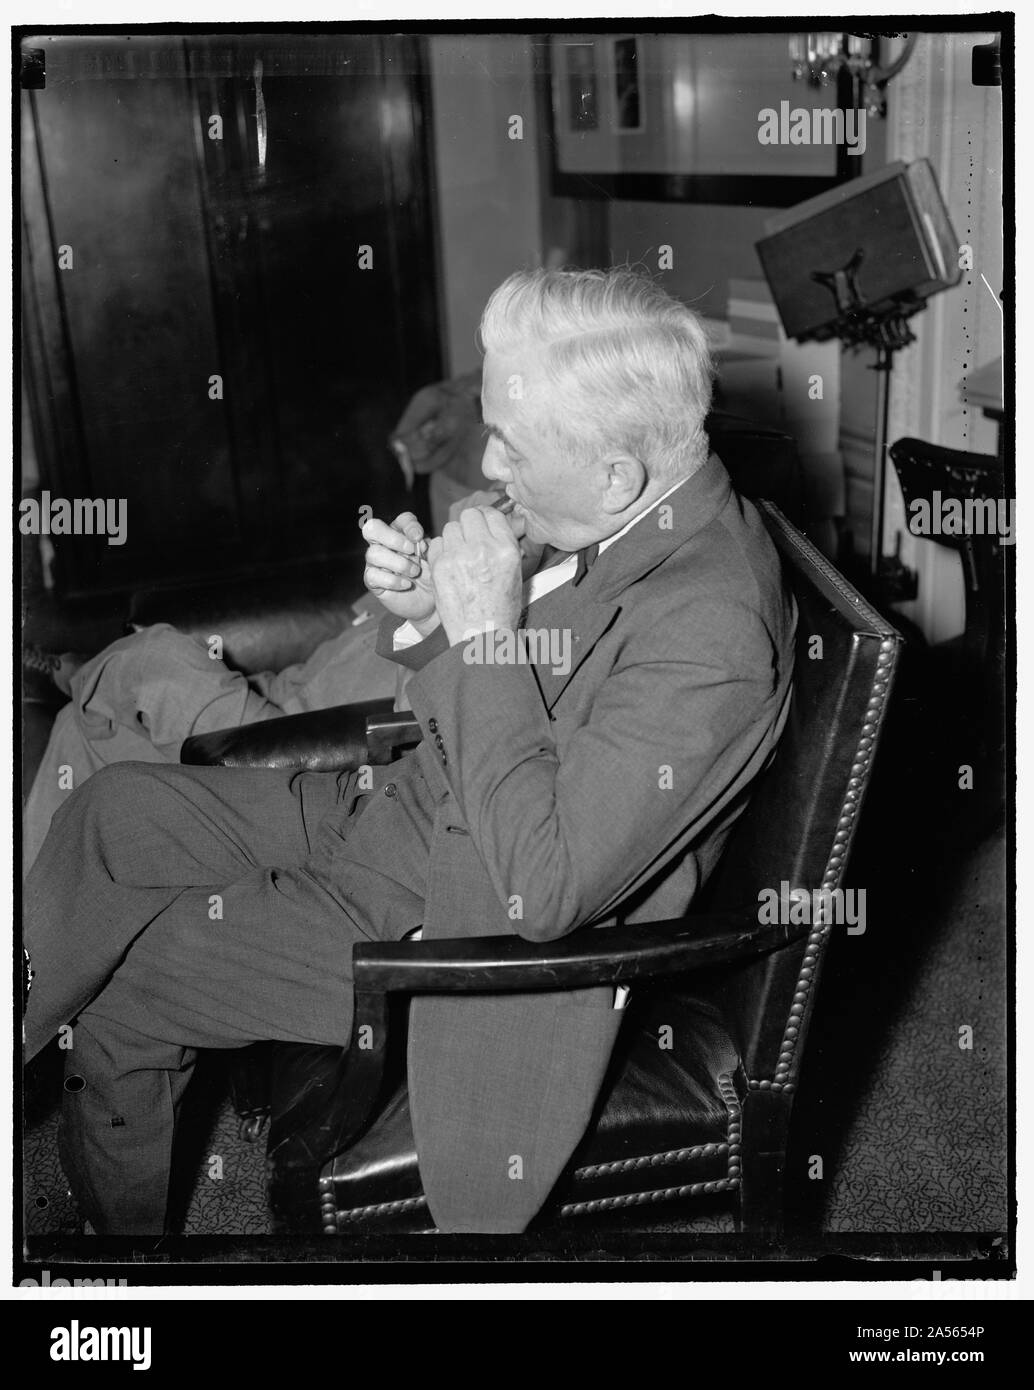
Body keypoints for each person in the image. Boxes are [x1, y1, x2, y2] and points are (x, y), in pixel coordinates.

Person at [23, 267, 797, 1235]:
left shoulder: (710, 634)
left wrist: (483, 639)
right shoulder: (628, 508)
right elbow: (504, 701)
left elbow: (545, 891)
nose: (491, 469)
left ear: (614, 474)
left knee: (131, 988)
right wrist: (424, 618)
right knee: (112, 811)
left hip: (450, 921)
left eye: (511, 447)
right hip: (392, 814)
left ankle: (116, 1265)